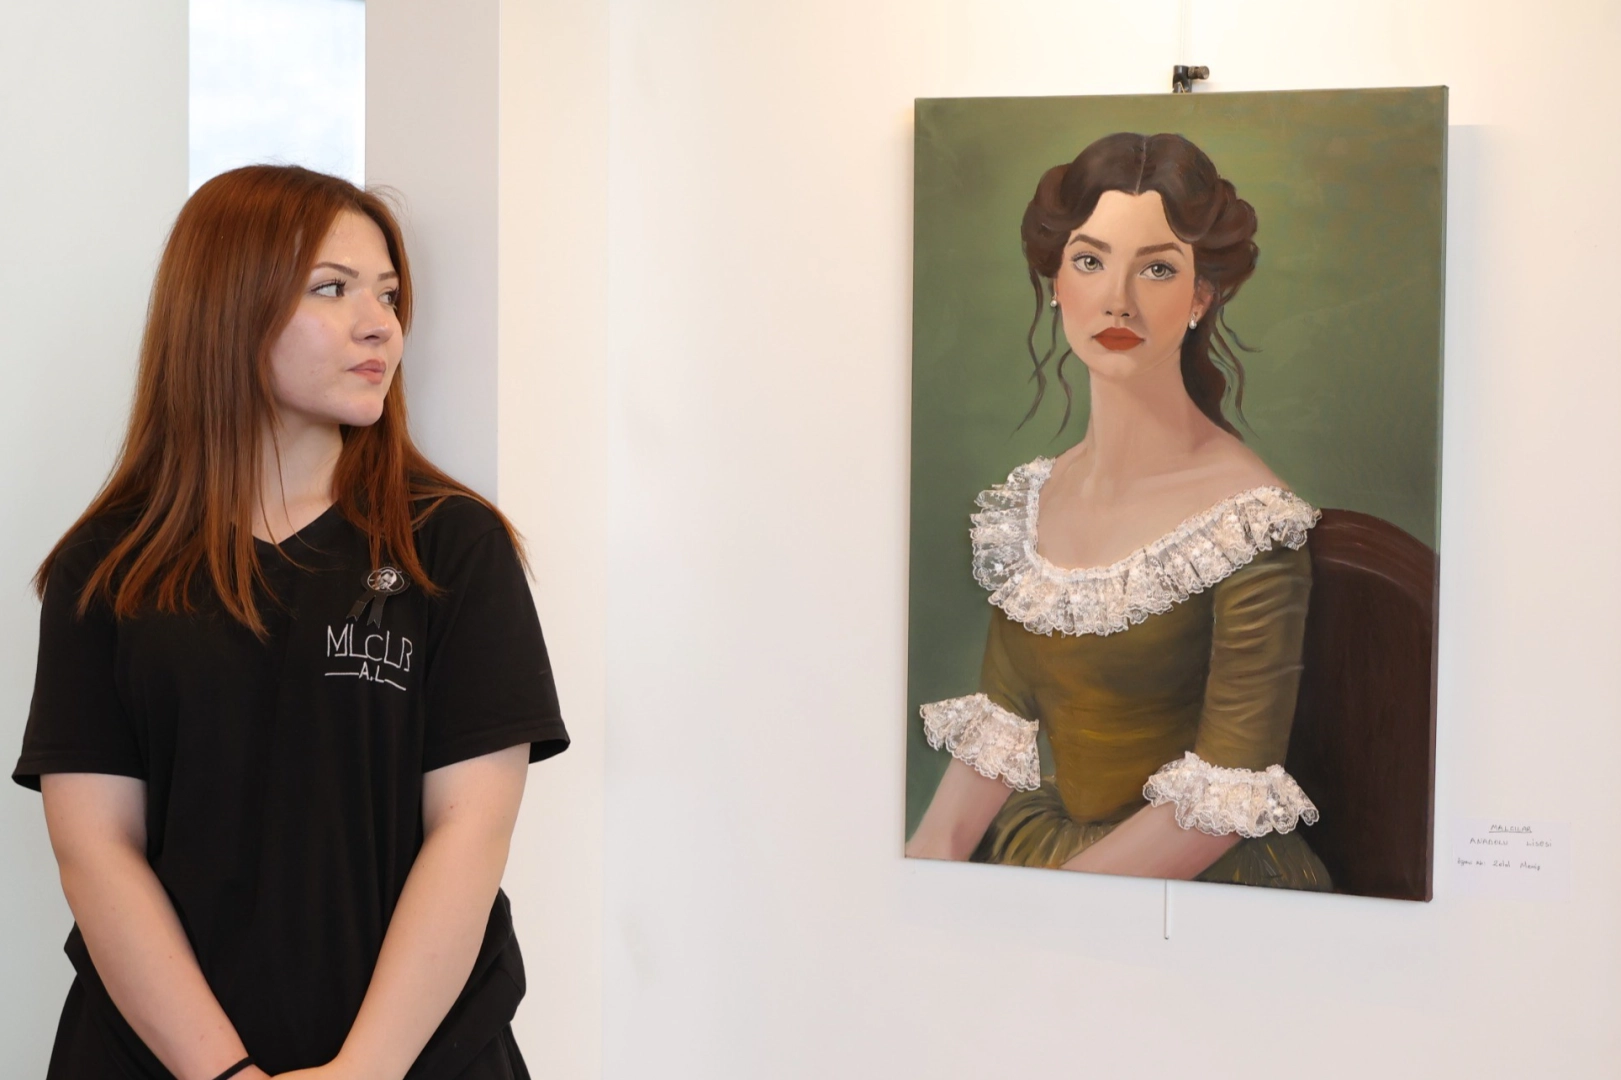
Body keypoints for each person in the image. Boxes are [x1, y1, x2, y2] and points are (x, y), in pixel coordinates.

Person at [12, 165, 570, 1079]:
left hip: (417, 1058)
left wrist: (361, 1072)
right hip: (155, 1058)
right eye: (332, 289)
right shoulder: (109, 565)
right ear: (228, 307)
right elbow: (95, 848)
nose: (379, 324)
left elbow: (470, 834)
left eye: (388, 294)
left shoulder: (451, 546)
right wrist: (224, 1073)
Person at [905, 133, 1330, 889]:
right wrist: (918, 875)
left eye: (1157, 268)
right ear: (1056, 283)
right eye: (1089, 261)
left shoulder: (1251, 521)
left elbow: (1224, 798)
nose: (1117, 300)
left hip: (1200, 881)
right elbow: (998, 729)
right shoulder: (1032, 499)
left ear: (1201, 296)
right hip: (1051, 855)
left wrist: (1042, 910)